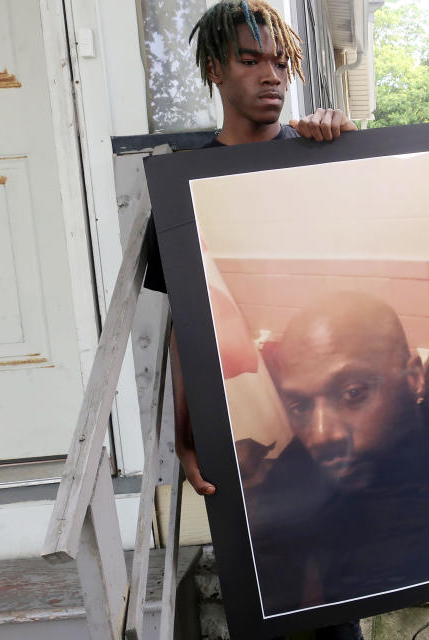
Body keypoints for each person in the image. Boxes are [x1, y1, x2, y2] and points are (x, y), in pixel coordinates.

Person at [141, 2, 359, 638]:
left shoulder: (325, 159)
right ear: (214, 68)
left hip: (322, 424)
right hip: (247, 434)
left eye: (280, 62)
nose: (271, 75)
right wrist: (186, 432)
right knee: (268, 595)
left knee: (340, 603)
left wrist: (350, 145)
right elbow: (187, 323)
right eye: (249, 59)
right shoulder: (182, 192)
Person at [240, 292, 429, 615]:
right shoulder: (292, 476)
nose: (320, 435)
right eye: (301, 405)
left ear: (414, 379)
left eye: (353, 393)